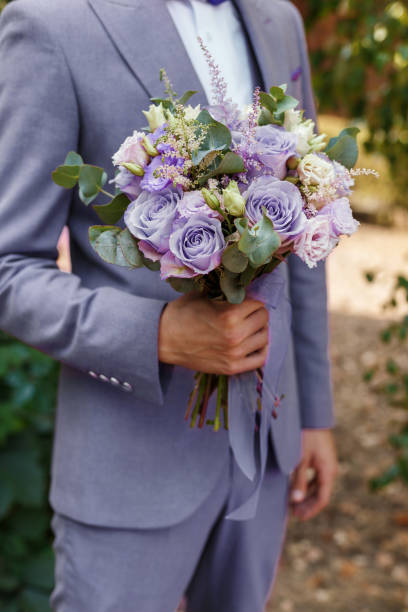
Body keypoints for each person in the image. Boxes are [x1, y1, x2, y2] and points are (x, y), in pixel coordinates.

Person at [0, 0, 338, 610]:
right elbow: (9, 271)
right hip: (130, 463)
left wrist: (313, 413)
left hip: (266, 453)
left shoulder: (278, 21)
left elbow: (306, 237)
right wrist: (153, 333)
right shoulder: (52, 22)